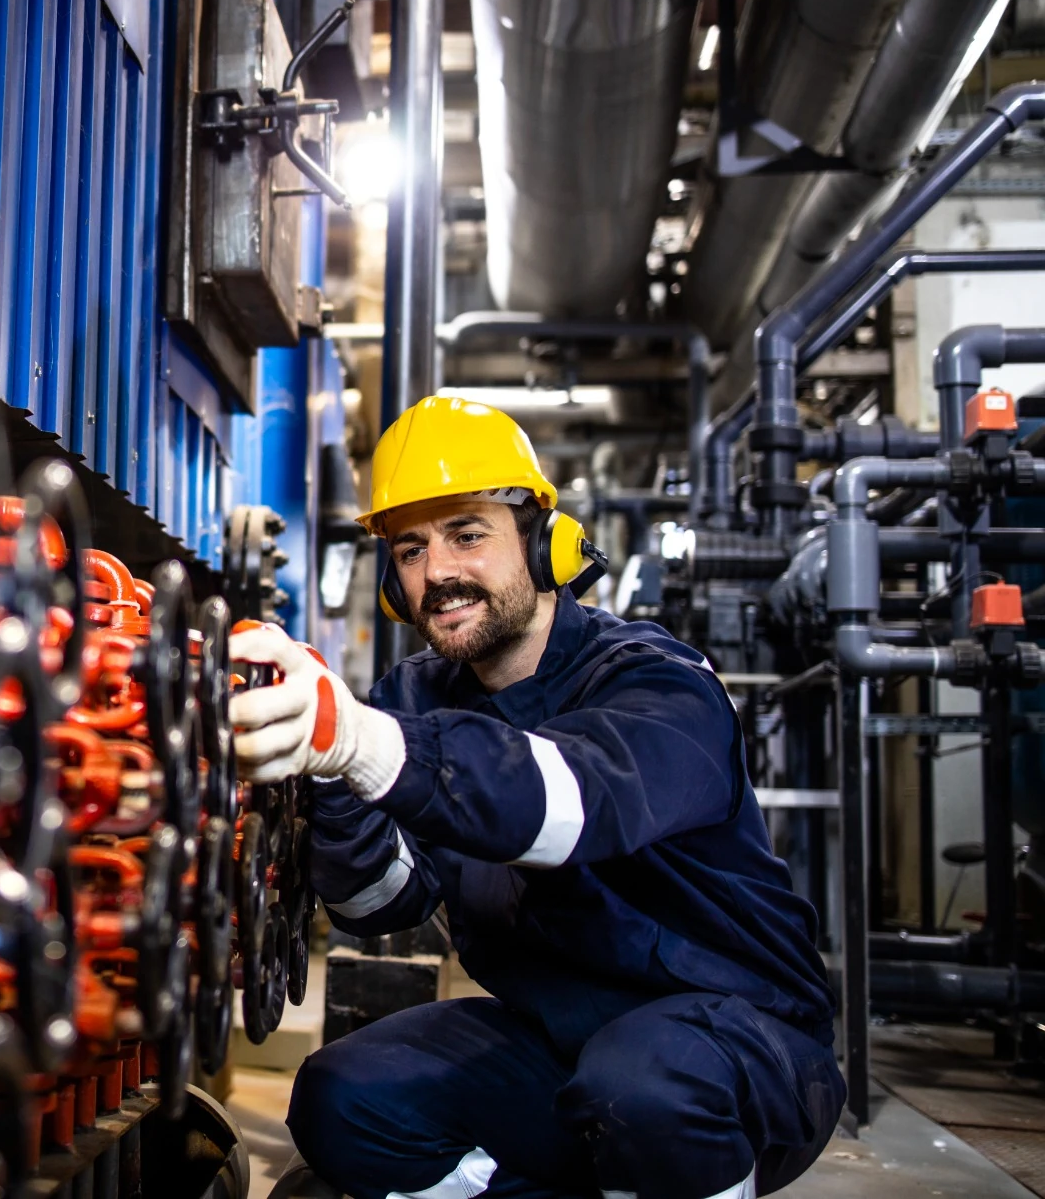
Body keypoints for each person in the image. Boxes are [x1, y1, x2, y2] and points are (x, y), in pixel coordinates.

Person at [230, 396, 841, 1199]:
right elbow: (385, 899)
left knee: (643, 1088)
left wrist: (362, 740)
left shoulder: (660, 681)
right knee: (342, 1098)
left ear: (544, 541)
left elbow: (565, 802)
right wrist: (327, 777)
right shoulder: (417, 694)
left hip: (738, 1049)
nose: (439, 571)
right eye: (410, 549)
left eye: (468, 534)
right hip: (559, 1040)